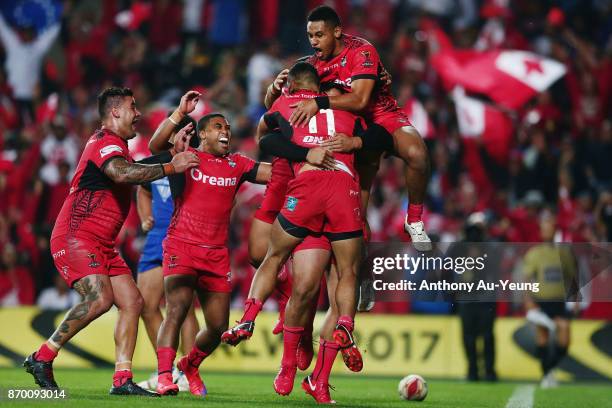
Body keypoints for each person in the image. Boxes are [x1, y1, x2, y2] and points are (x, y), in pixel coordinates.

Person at [23, 86, 200, 395]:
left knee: (133, 302)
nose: (138, 114)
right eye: (133, 107)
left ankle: (122, 380)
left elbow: (137, 166)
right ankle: (43, 356)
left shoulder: (118, 146)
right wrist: (172, 165)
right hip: (76, 238)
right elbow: (122, 173)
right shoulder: (103, 143)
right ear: (115, 111)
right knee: (101, 299)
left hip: (102, 244)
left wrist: (174, 141)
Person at [228, 62, 364, 403]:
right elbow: (380, 140)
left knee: (294, 270)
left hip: (306, 190)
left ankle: (314, 373)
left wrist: (276, 100)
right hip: (336, 195)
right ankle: (302, 350)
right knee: (309, 285)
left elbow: (266, 137)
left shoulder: (291, 106)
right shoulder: (350, 109)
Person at [264, 5, 432, 250]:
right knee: (357, 223)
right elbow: (280, 108)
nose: (313, 41)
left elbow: (361, 101)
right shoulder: (310, 65)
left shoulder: (362, 51)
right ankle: (359, 280)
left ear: (337, 32)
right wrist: (273, 91)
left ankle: (414, 220)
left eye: (319, 35)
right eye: (310, 35)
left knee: (417, 154)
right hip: (349, 128)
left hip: (380, 115)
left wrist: (319, 101)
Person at [149, 101, 272, 396]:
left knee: (218, 327)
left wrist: (307, 156)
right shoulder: (186, 156)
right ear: (203, 134)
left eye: (228, 127)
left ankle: (190, 365)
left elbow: (276, 174)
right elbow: (155, 147)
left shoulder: (238, 164)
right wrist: (178, 115)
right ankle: (165, 376)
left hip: (216, 254)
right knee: (176, 310)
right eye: (218, 127)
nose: (226, 131)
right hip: (182, 245)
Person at [135, 110, 201, 392]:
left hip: (183, 238)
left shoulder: (198, 163)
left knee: (182, 308)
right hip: (156, 238)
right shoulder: (159, 162)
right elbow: (143, 189)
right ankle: (168, 369)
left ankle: (188, 371)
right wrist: (144, 217)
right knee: (146, 305)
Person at [523, 216, 579, 388]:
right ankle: (547, 376)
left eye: (549, 227)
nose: (547, 230)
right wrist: (528, 300)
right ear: (540, 231)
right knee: (543, 339)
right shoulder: (534, 253)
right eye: (544, 227)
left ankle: (548, 370)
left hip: (559, 302)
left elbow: (573, 277)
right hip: (541, 301)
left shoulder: (564, 253)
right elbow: (527, 279)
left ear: (555, 230)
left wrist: (575, 299)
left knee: (564, 338)